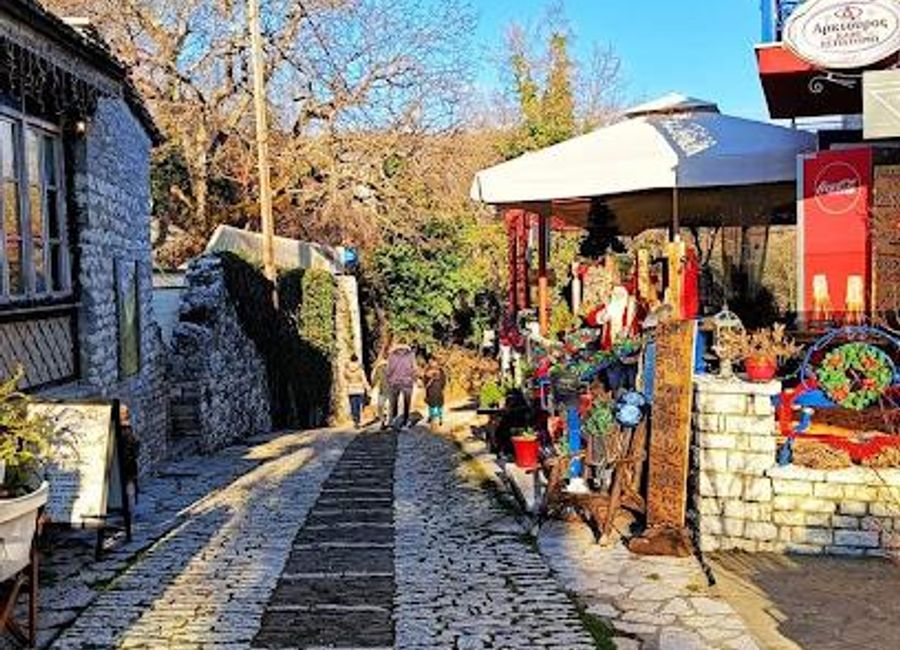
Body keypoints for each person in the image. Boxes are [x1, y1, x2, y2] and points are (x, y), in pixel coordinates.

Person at [386, 341, 417, 429]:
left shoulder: (392, 355)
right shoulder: (411, 355)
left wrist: (389, 379)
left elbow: (389, 369)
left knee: (394, 402)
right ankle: (405, 421)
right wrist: (414, 379)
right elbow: (414, 368)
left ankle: (394, 420)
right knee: (407, 403)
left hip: (394, 382)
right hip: (407, 382)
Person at [343, 353, 370, 429]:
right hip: (359, 389)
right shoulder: (360, 369)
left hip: (351, 389)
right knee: (358, 406)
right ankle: (358, 421)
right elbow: (364, 380)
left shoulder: (347, 369)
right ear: (357, 360)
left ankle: (355, 421)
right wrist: (368, 388)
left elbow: (345, 377)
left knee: (353, 406)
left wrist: (346, 367)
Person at [424, 357, 447, 428]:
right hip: (438, 391)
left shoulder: (427, 371)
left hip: (431, 391)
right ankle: (440, 418)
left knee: (432, 406)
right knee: (439, 406)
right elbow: (444, 382)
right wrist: (442, 388)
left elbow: (425, 383)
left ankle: (433, 418)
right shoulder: (441, 371)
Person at [371, 356, 390, 428]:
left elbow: (375, 379)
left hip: (382, 389)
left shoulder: (379, 369)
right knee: (390, 406)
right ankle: (389, 420)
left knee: (380, 406)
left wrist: (372, 386)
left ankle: (383, 421)